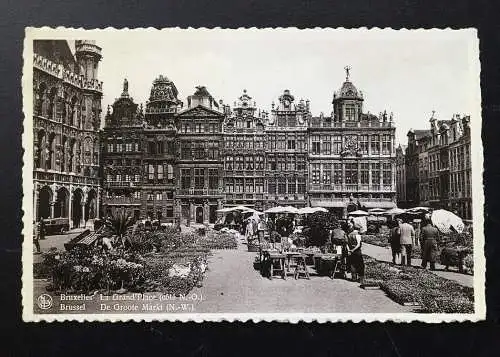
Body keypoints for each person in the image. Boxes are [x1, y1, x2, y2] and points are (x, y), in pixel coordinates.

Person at [346, 219, 365, 285]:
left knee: (352, 264)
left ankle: (353, 277)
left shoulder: (349, 234)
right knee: (360, 265)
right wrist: (353, 250)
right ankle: (361, 279)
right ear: (358, 229)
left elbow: (347, 244)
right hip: (357, 251)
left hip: (351, 251)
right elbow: (358, 244)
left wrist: (349, 250)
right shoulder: (357, 234)